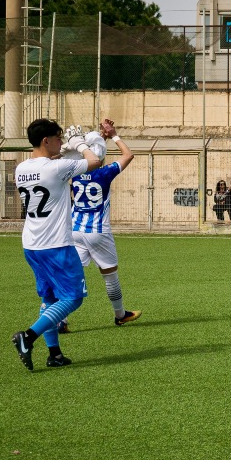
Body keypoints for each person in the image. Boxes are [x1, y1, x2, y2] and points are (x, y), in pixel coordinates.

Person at [10, 118, 103, 371]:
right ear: (46, 140)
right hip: (56, 244)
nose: (62, 142)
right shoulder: (57, 168)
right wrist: (79, 143)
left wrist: (62, 150)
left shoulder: (21, 168)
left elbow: (47, 165)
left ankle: (55, 355)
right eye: (59, 138)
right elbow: (96, 161)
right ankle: (28, 336)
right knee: (73, 299)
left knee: (49, 297)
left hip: (32, 244)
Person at [66, 120, 141, 328]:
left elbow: (86, 157)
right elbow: (128, 155)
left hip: (75, 230)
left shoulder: (73, 171)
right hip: (98, 230)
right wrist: (114, 135)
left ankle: (60, 320)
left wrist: (93, 141)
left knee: (72, 275)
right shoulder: (104, 173)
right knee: (110, 274)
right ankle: (120, 314)